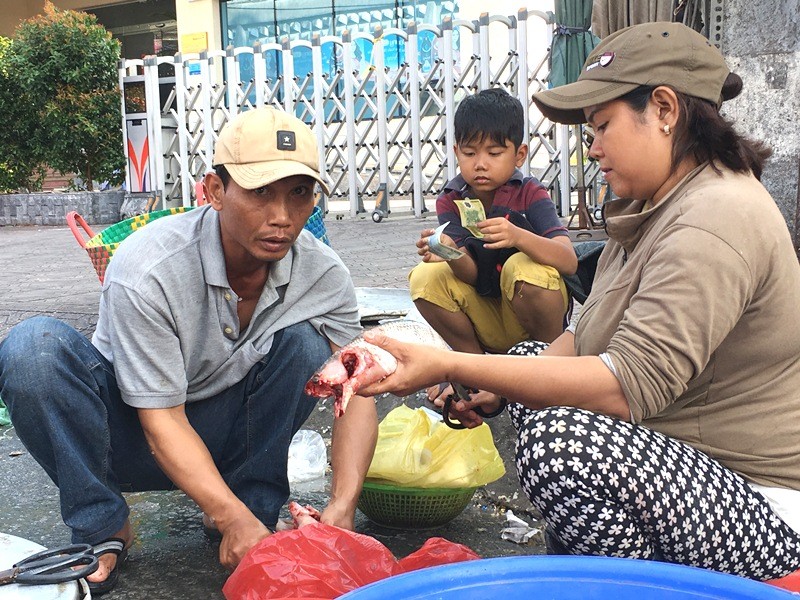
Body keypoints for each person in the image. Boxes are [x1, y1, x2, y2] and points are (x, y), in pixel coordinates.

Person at [359, 23, 800, 582]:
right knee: (522, 368)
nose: (591, 149)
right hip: (683, 468)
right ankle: (582, 572)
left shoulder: (716, 215)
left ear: (664, 109)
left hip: (761, 507)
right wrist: (492, 384)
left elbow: (624, 385)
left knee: (562, 445)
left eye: (603, 126)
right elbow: (581, 339)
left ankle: (629, 588)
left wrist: (449, 362)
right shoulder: (652, 210)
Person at [0, 107, 377, 595]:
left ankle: (249, 507)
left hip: (223, 436)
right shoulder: (150, 267)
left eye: (299, 194)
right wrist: (229, 516)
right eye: (261, 193)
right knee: (34, 349)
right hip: (129, 434)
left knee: (307, 344)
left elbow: (361, 389)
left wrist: (342, 509)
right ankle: (104, 525)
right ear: (215, 191)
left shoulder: (322, 273)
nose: (282, 217)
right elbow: (160, 418)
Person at [409, 88, 577, 358]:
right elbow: (471, 275)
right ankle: (475, 369)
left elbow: (569, 261)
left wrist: (518, 237)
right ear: (456, 152)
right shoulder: (452, 199)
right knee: (425, 276)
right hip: (488, 315)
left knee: (521, 266)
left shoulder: (530, 192)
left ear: (519, 155)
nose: (480, 164)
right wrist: (448, 252)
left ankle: (549, 363)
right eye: (470, 153)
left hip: (536, 322)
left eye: (494, 153)